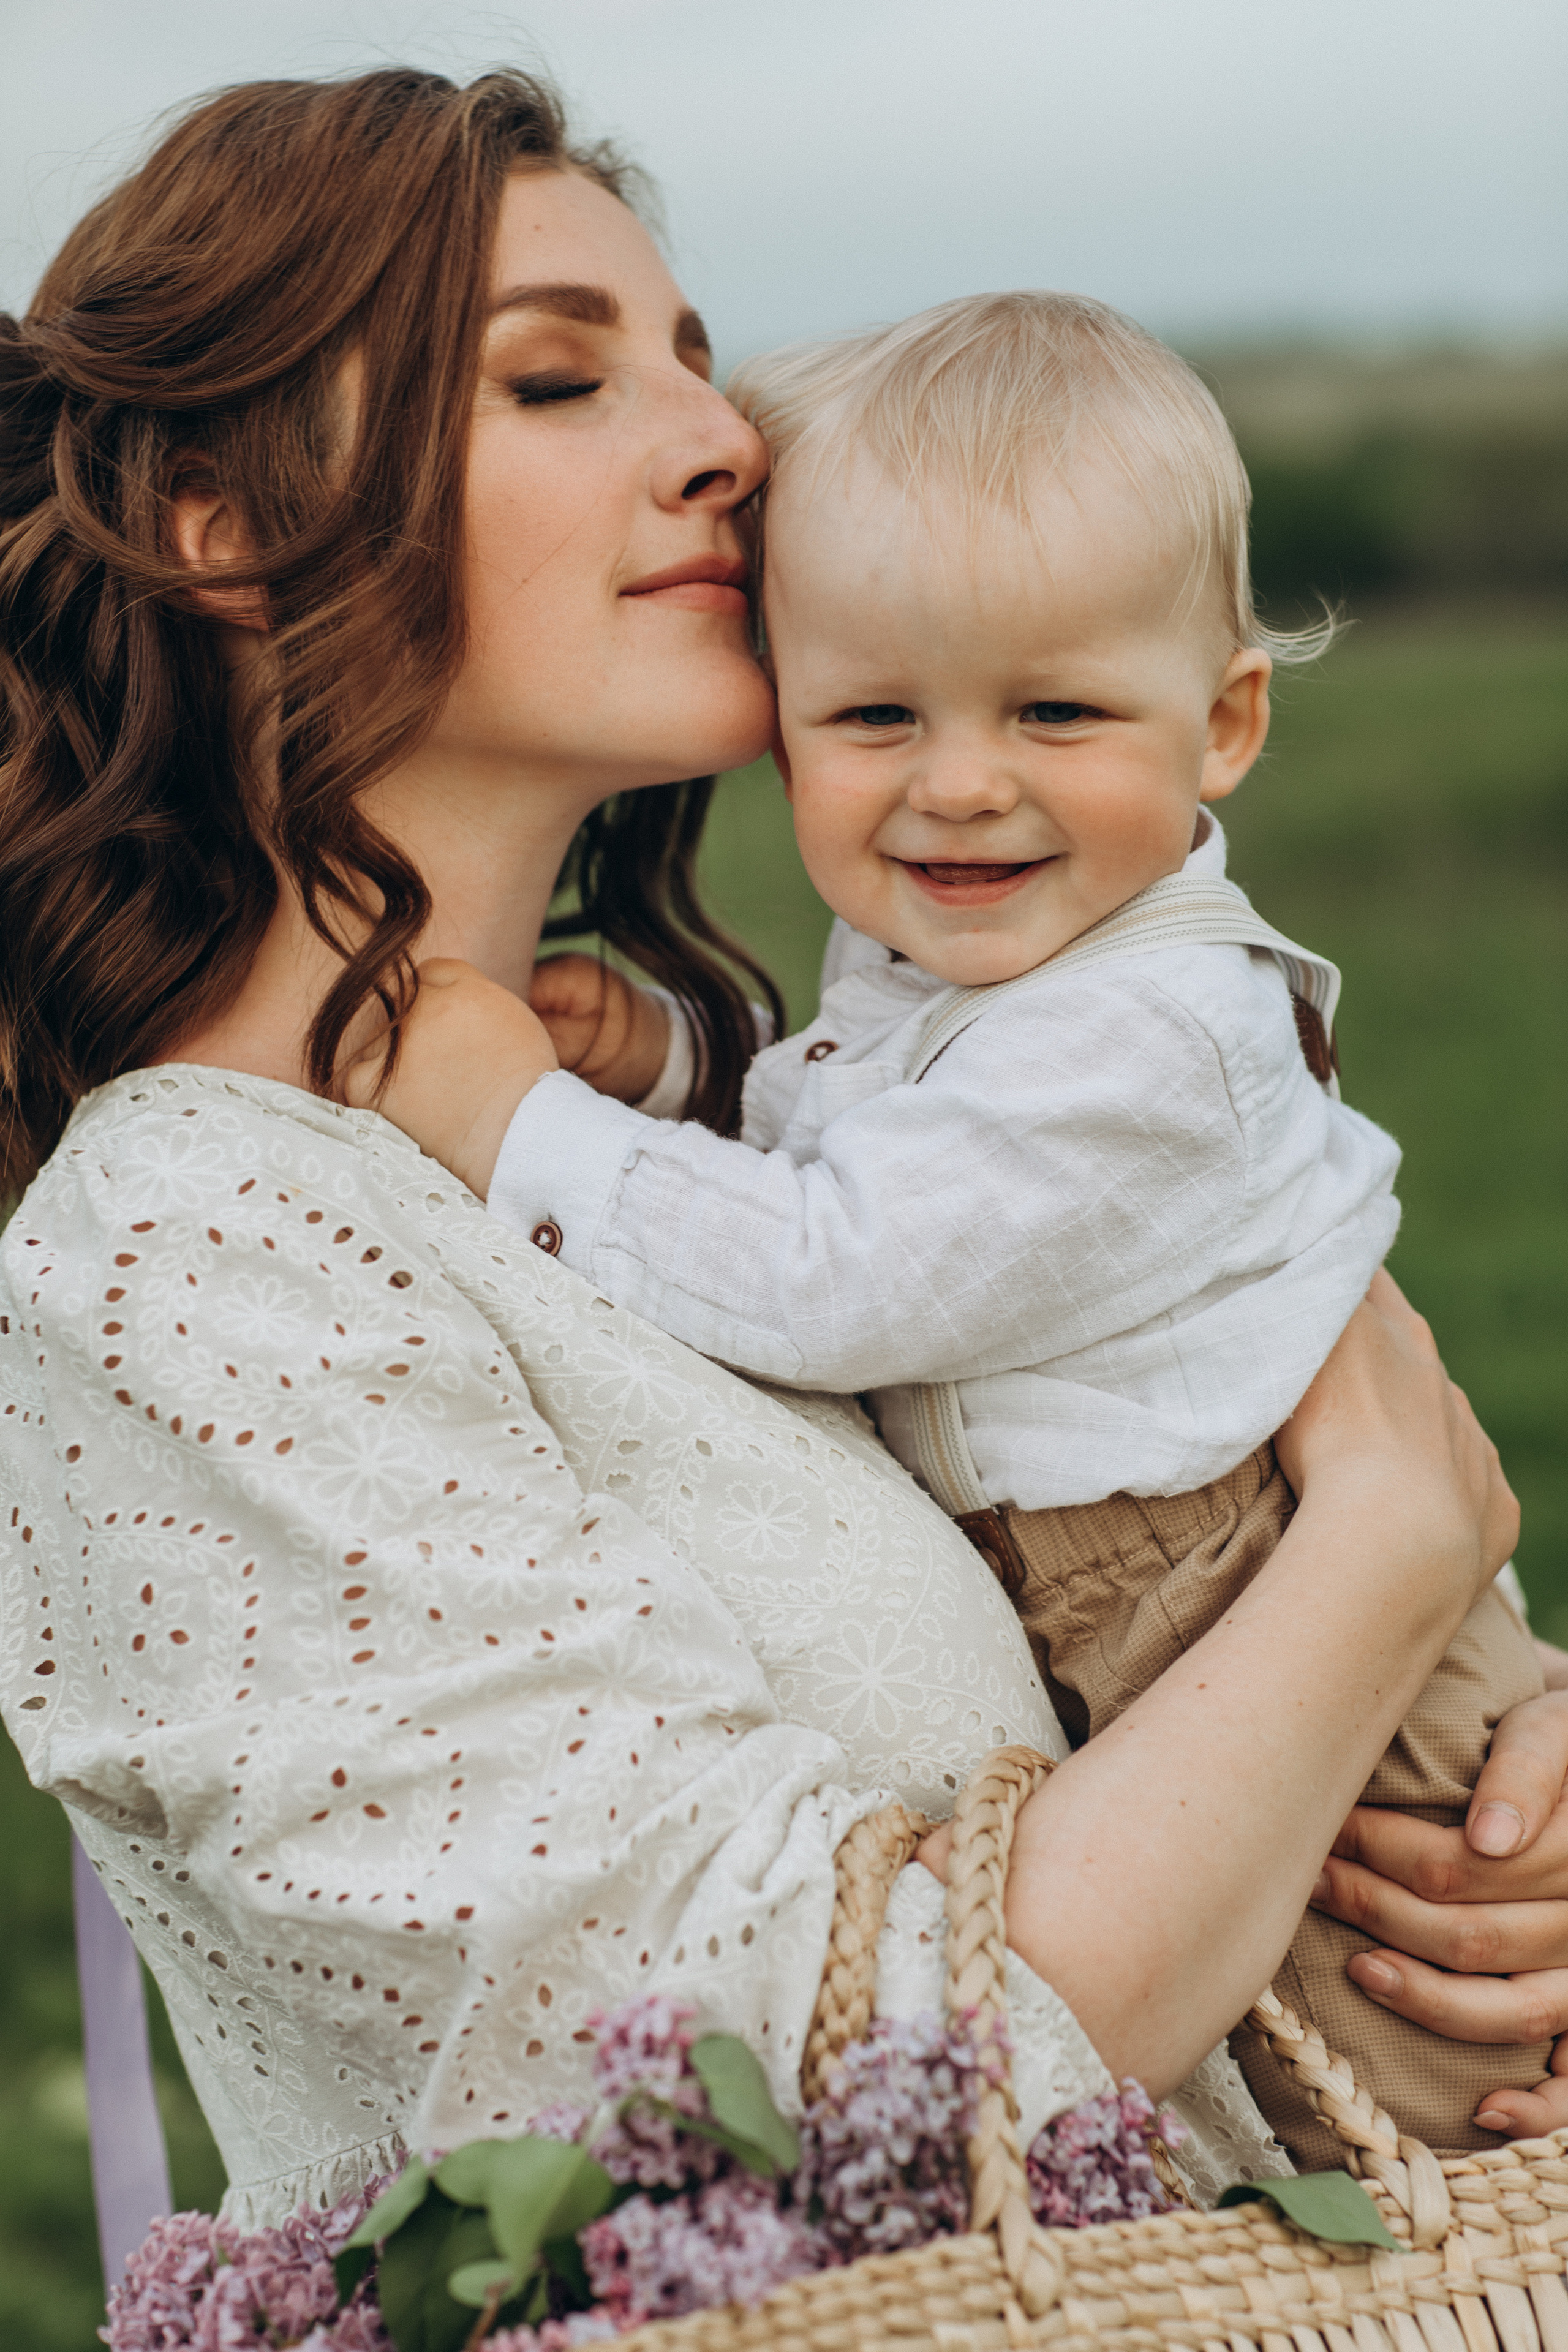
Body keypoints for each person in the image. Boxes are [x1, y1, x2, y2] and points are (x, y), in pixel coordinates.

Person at [0, 69, 1564, 2242]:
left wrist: (1487, 1805)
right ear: (219, 521)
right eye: (557, 377)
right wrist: (1384, 1554)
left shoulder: (756, 1117)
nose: (726, 445)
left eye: (700, 363)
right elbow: (786, 2102)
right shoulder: (195, 1247)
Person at [358, 292, 1551, 2161]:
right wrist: (682, 1056)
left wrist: (522, 1130)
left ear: (1227, 719)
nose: (960, 780)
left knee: (1430, 2128)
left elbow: (844, 1270)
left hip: (1247, 1605)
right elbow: (898, 1128)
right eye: (875, 715)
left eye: (1054, 711)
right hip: (1184, 1603)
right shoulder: (1005, 952)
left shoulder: (1147, 1036)